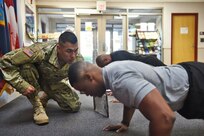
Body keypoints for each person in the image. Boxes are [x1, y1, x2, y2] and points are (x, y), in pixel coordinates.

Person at [68, 60, 204, 136]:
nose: (86, 94)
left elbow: (165, 117)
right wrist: (125, 122)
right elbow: (131, 96)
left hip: (197, 83)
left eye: (84, 90)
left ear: (89, 77)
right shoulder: (111, 71)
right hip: (186, 74)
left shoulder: (119, 81)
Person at [0, 31, 83, 125]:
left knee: (74, 107)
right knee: (26, 67)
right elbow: (5, 61)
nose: (73, 56)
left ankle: (46, 95)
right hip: (35, 81)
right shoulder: (39, 51)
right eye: (69, 51)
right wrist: (21, 85)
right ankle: (38, 106)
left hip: (54, 84)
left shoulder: (78, 59)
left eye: (76, 50)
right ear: (58, 48)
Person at [96, 50, 166, 67]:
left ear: (106, 60)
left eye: (106, 65)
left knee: (170, 74)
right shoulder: (116, 54)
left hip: (150, 63)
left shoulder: (118, 60)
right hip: (149, 61)